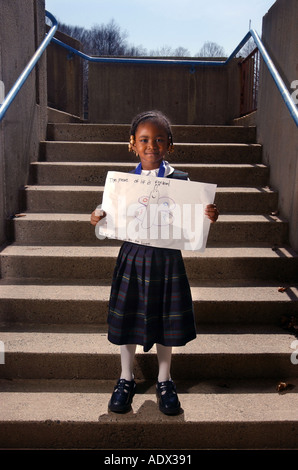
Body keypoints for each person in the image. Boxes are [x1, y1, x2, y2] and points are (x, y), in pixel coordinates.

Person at [90, 110, 218, 415]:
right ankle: (126, 378)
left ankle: (164, 380)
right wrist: (98, 217)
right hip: (133, 258)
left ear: (169, 144)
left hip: (167, 261)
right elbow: (108, 216)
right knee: (128, 318)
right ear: (132, 143)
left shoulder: (183, 181)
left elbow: (193, 220)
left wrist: (209, 215)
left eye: (159, 139)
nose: (152, 145)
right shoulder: (123, 182)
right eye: (145, 139)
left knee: (165, 319)